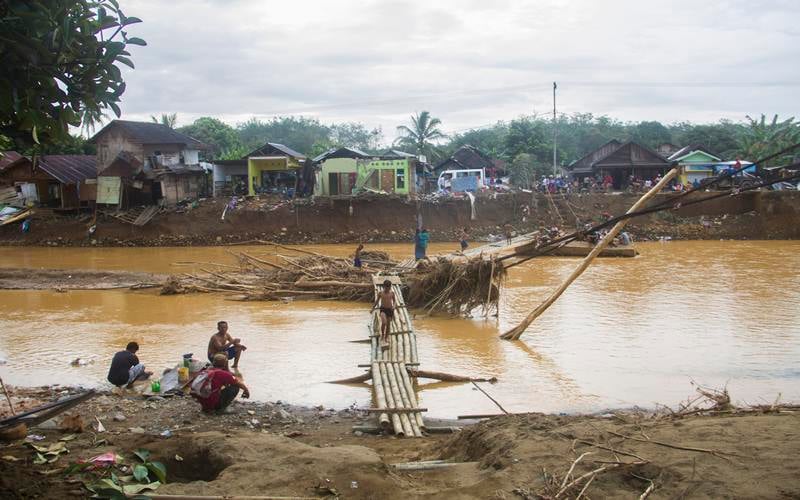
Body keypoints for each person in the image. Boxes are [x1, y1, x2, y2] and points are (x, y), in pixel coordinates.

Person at [374, 280, 396, 349]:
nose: (388, 289)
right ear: (384, 287)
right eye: (386, 287)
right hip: (383, 309)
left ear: (390, 287)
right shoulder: (380, 293)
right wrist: (372, 308)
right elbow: (377, 301)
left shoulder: (392, 293)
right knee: (384, 322)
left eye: (389, 287)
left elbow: (394, 301)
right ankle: (383, 336)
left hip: (390, 310)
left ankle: (386, 337)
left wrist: (394, 306)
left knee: (388, 325)